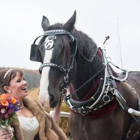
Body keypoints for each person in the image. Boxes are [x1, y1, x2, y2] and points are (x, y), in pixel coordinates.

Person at [0, 68, 67, 140]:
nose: (25, 82)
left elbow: (51, 126)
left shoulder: (34, 106)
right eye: (19, 81)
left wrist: (58, 104)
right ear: (7, 88)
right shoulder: (3, 111)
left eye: (23, 79)